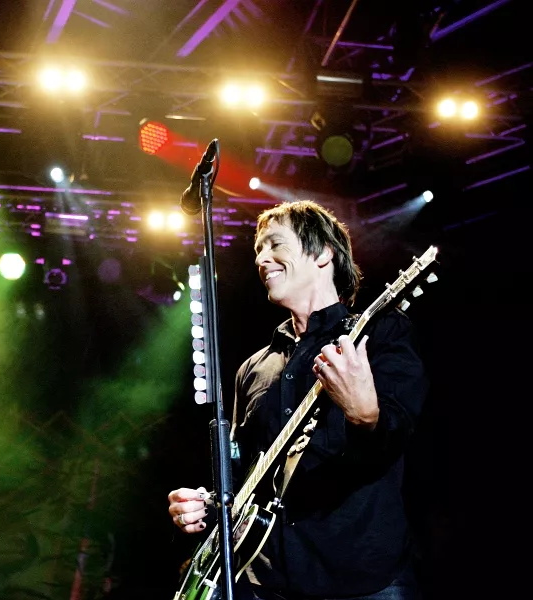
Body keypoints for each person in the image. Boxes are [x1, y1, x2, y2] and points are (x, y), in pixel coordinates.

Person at [167, 199, 428, 599]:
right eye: (258, 249)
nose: (261, 259)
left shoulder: (379, 334)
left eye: (275, 244)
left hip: (362, 578)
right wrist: (207, 504)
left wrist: (365, 414)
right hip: (268, 580)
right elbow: (243, 474)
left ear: (322, 253)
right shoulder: (254, 368)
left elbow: (398, 434)